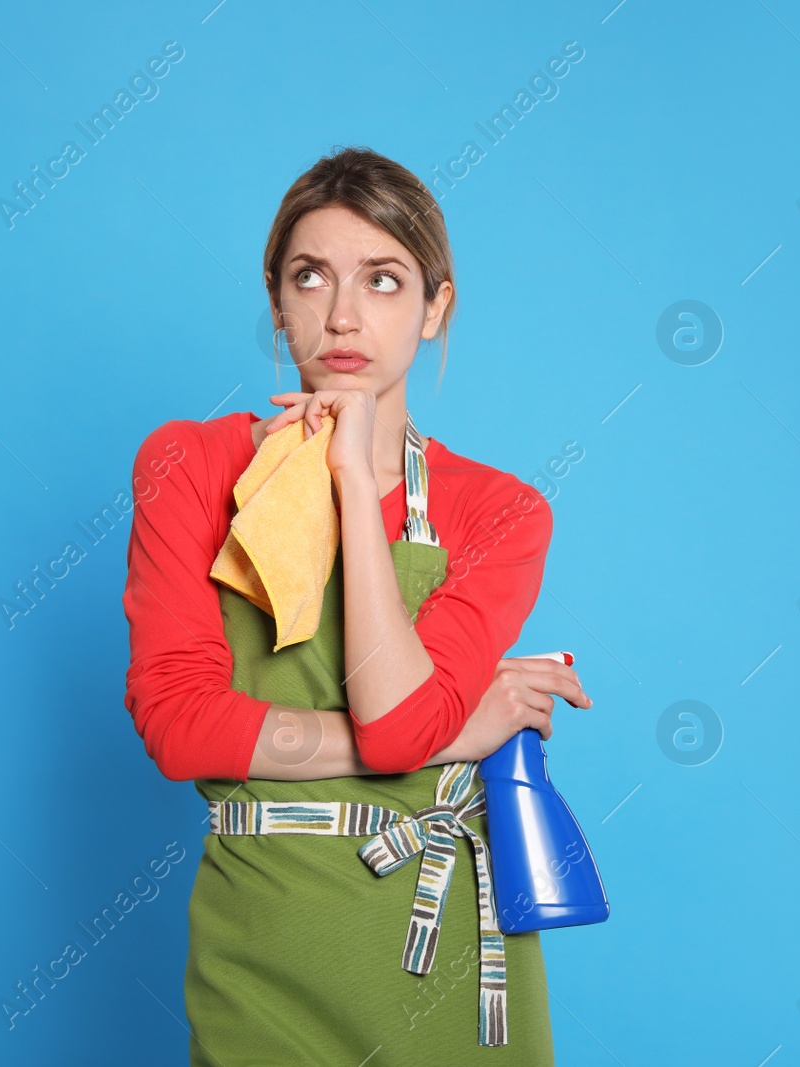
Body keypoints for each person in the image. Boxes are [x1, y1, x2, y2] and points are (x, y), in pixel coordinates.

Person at [122, 146, 593, 1065]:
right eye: (311, 277)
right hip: (268, 932)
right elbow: (180, 726)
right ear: (276, 299)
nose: (342, 315)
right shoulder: (191, 466)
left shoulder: (499, 511)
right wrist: (453, 733)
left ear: (435, 307)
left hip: (449, 945)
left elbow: (398, 718)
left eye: (383, 280)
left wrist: (347, 469)